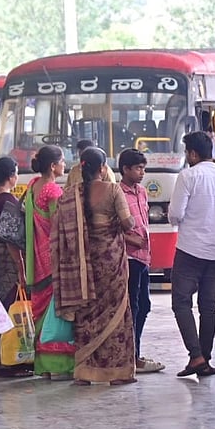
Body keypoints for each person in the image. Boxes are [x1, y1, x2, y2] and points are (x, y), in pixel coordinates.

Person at [51, 147, 137, 386]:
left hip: (83, 265)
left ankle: (85, 372)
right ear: (102, 168)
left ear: (81, 167)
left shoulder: (69, 195)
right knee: (116, 314)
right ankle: (117, 372)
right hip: (110, 262)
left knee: (86, 313)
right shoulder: (112, 190)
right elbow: (128, 224)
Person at [168, 131, 215, 377]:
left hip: (189, 250)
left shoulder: (188, 176)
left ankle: (195, 356)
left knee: (181, 302)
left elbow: (175, 213)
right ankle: (204, 358)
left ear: (193, 154)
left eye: (187, 153)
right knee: (209, 307)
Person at [26, 146, 73, 380]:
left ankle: (42, 366)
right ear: (53, 166)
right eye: (63, 161)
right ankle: (58, 365)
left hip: (35, 259)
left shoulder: (32, 185)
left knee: (40, 310)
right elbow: (59, 227)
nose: (65, 165)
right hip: (52, 259)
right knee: (55, 312)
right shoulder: (53, 191)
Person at [0, 157, 33, 378]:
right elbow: (11, 239)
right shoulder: (6, 199)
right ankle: (6, 362)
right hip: (8, 260)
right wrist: (21, 269)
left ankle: (0, 359)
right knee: (10, 308)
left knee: (3, 306)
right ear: (11, 175)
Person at [118, 148, 165, 374]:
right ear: (125, 169)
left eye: (143, 168)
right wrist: (130, 239)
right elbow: (112, 227)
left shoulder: (142, 192)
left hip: (143, 257)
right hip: (128, 257)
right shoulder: (117, 193)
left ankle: (135, 350)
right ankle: (131, 356)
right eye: (138, 168)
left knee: (144, 305)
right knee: (132, 305)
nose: (142, 172)